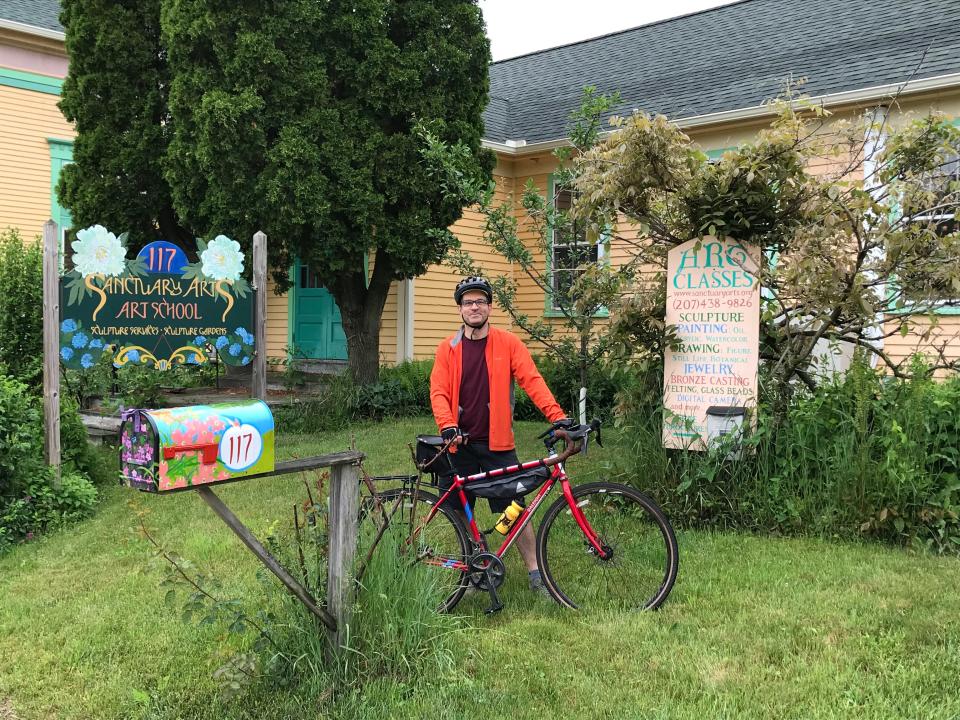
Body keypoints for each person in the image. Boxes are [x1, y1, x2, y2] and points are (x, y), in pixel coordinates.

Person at [430, 276, 570, 597]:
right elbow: (438, 391)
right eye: (468, 302)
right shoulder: (447, 349)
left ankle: (536, 574)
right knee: (459, 510)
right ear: (460, 310)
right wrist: (447, 425)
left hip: (497, 444)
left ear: (490, 307)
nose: (474, 307)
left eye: (480, 301)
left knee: (514, 509)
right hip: (458, 445)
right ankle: (475, 567)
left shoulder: (508, 344)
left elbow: (532, 381)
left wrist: (558, 417)